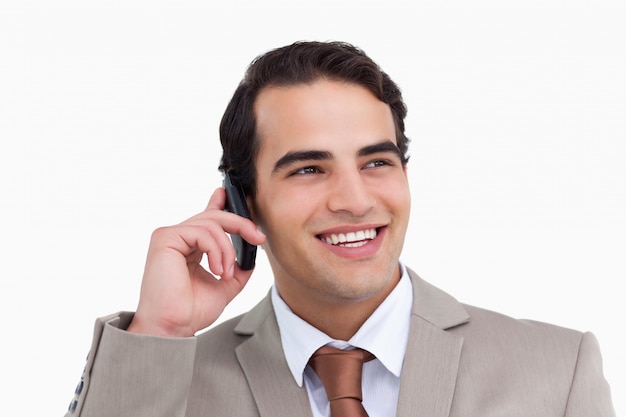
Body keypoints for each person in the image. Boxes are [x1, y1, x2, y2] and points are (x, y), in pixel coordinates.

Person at [65, 41, 615, 417]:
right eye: (309, 169)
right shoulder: (167, 384)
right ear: (243, 201)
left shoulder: (559, 373)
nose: (355, 200)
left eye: (377, 162)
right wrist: (159, 333)